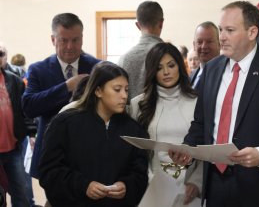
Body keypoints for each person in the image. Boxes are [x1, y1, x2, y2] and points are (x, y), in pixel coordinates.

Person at [169, 1, 259, 207]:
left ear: (252, 32)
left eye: (230, 30)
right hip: (215, 185)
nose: (222, 37)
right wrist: (187, 150)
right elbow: (201, 123)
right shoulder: (211, 70)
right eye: (220, 29)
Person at [39, 61, 148, 207]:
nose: (124, 96)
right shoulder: (65, 124)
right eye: (117, 89)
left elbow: (139, 173)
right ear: (98, 91)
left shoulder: (133, 130)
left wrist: (126, 185)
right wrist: (83, 186)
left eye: (126, 90)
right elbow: (49, 171)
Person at [22, 13, 100, 179]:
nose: (70, 46)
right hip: (51, 152)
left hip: (89, 150)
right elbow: (29, 107)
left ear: (82, 39)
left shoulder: (97, 67)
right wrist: (66, 87)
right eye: (64, 40)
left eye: (75, 40)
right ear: (53, 40)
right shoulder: (38, 69)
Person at [129, 42, 202, 206]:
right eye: (159, 67)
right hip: (153, 185)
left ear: (180, 67)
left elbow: (206, 146)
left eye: (171, 65)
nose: (166, 72)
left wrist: (197, 182)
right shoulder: (138, 105)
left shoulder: (197, 101)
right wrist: (147, 179)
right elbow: (134, 153)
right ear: (152, 71)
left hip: (189, 188)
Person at [0, 45, 32, 206]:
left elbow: (25, 111)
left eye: (1, 54)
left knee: (21, 193)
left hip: (13, 149)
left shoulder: (15, 81)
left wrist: (32, 134)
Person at [118, 1, 164, 102]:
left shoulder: (124, 58)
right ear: (161, 23)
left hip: (129, 117)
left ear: (138, 25)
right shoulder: (168, 56)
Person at [189, 21, 220, 89]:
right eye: (199, 42)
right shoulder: (190, 77)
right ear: (194, 45)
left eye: (209, 41)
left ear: (219, 44)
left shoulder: (226, 75)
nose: (204, 46)